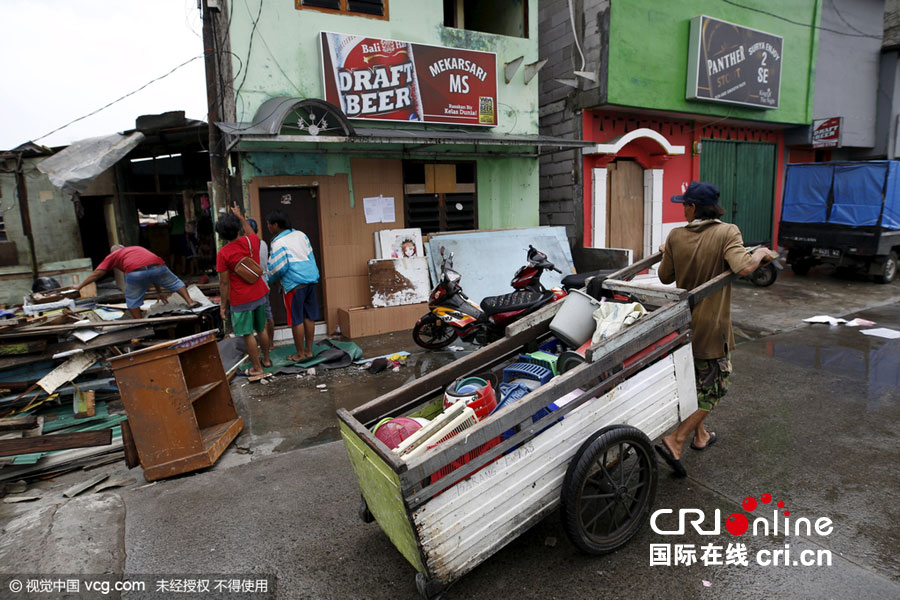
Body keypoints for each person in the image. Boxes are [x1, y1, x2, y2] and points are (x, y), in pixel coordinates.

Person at [654, 181, 773, 478]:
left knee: (696, 380)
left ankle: (700, 436)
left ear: (694, 208)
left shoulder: (675, 236)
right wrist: (760, 253)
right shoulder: (728, 232)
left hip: (682, 325)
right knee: (717, 383)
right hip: (711, 326)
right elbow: (744, 267)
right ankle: (676, 439)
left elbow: (664, 276)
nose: (682, 209)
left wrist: (669, 250)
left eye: (684, 204)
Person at [216, 204, 273, 376]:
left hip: (241, 299)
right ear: (238, 229)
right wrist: (240, 216)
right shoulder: (251, 241)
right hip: (260, 292)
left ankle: (257, 367)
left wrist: (223, 305)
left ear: (221, 236)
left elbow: (224, 283)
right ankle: (267, 359)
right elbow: (251, 232)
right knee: (261, 328)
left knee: (248, 333)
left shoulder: (223, 253)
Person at [76, 245, 197, 319]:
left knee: (132, 300)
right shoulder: (136, 248)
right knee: (175, 282)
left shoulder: (113, 256)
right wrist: (159, 291)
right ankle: (190, 302)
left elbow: (97, 273)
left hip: (136, 272)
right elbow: (151, 272)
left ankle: (140, 321)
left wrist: (79, 287)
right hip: (159, 267)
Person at [266, 209, 320, 362]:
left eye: (269, 225)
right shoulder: (301, 235)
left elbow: (278, 268)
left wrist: (269, 279)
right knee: (309, 317)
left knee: (296, 319)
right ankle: (309, 351)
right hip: (310, 279)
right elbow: (310, 256)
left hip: (294, 284)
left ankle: (300, 354)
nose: (268, 227)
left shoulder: (278, 242)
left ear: (276, 225)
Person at [247, 218, 276, 353]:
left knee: (260, 317)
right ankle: (270, 343)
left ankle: (263, 347)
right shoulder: (263, 243)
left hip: (255, 282)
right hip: (265, 281)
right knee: (268, 313)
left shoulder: (249, 245)